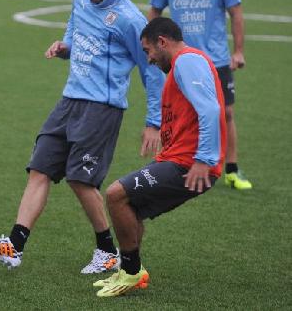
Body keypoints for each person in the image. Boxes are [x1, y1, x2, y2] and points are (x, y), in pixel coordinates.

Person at [0, 0, 165, 275]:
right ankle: (14, 245)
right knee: (40, 168)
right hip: (70, 100)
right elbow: (74, 36)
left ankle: (107, 251)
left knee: (80, 179)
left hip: (102, 108)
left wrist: (153, 121)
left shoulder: (131, 19)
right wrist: (64, 49)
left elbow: (152, 71)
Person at [94, 17, 226, 297]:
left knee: (116, 194)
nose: (149, 58)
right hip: (176, 158)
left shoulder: (188, 61)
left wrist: (204, 159)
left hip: (189, 164)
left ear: (162, 42)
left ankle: (131, 272)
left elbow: (211, 110)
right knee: (130, 208)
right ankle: (131, 271)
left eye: (148, 51)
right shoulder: (181, 65)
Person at [148, 0, 251, 190]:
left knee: (225, 112)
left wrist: (238, 50)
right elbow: (155, 10)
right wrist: (152, 46)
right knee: (183, 113)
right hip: (183, 61)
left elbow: (236, 13)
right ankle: (180, 161)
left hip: (216, 59)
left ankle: (231, 169)